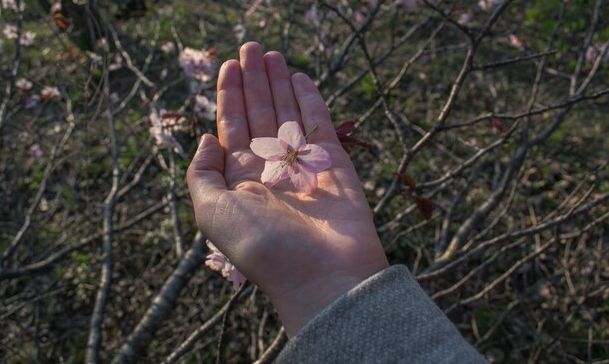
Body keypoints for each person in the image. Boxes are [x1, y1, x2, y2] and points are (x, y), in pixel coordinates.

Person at [187, 42, 487, 363]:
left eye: (291, 153)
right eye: (288, 155)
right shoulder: (282, 158)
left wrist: (326, 286)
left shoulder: (304, 153)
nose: (288, 158)